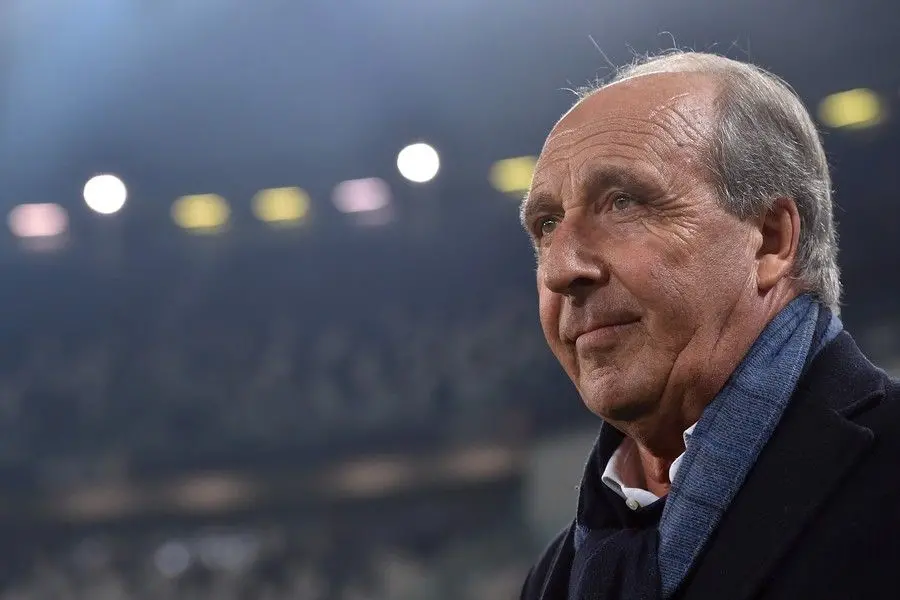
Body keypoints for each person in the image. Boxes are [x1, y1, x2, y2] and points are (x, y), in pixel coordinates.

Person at [518, 51, 900, 600]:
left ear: (769, 239)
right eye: (547, 225)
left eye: (623, 203)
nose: (561, 269)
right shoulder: (555, 576)